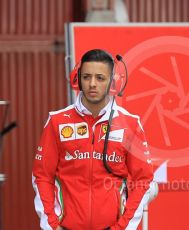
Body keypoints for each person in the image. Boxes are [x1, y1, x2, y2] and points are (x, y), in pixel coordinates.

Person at [32, 49, 153, 230]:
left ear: (112, 83)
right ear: (78, 79)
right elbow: (42, 176)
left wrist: (122, 227)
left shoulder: (130, 124)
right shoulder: (56, 121)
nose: (92, 84)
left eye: (100, 78)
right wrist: (51, 225)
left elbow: (143, 180)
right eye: (87, 77)